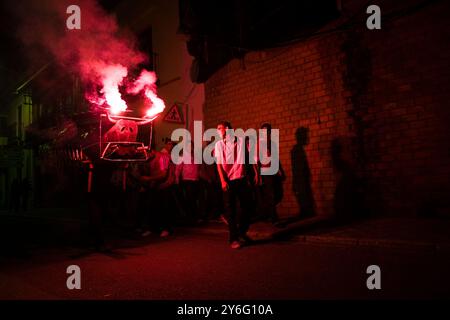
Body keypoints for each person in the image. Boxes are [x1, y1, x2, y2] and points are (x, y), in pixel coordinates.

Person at [214, 121, 260, 249]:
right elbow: (218, 164)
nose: (217, 131)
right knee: (231, 210)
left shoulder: (240, 141)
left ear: (227, 129)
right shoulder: (218, 145)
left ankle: (241, 232)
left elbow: (251, 157)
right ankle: (233, 239)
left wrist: (256, 173)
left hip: (241, 178)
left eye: (219, 128)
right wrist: (223, 181)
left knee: (249, 206)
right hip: (228, 180)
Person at [257, 123, 286, 224]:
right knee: (271, 195)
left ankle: (268, 213)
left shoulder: (271, 143)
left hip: (274, 171)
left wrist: (281, 170)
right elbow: (256, 161)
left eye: (267, 131)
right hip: (265, 172)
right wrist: (258, 176)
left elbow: (276, 158)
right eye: (264, 131)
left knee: (278, 194)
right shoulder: (259, 144)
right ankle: (274, 218)